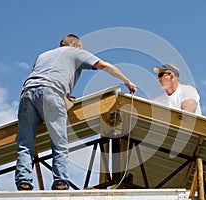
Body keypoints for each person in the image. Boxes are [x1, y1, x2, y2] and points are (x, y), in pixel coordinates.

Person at [15, 34, 137, 191]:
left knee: (25, 143)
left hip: (27, 93)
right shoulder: (75, 51)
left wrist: (64, 96)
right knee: (59, 142)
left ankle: (24, 181)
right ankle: (60, 181)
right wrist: (127, 81)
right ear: (74, 45)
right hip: (51, 93)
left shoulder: (43, 55)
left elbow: (46, 77)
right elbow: (105, 65)